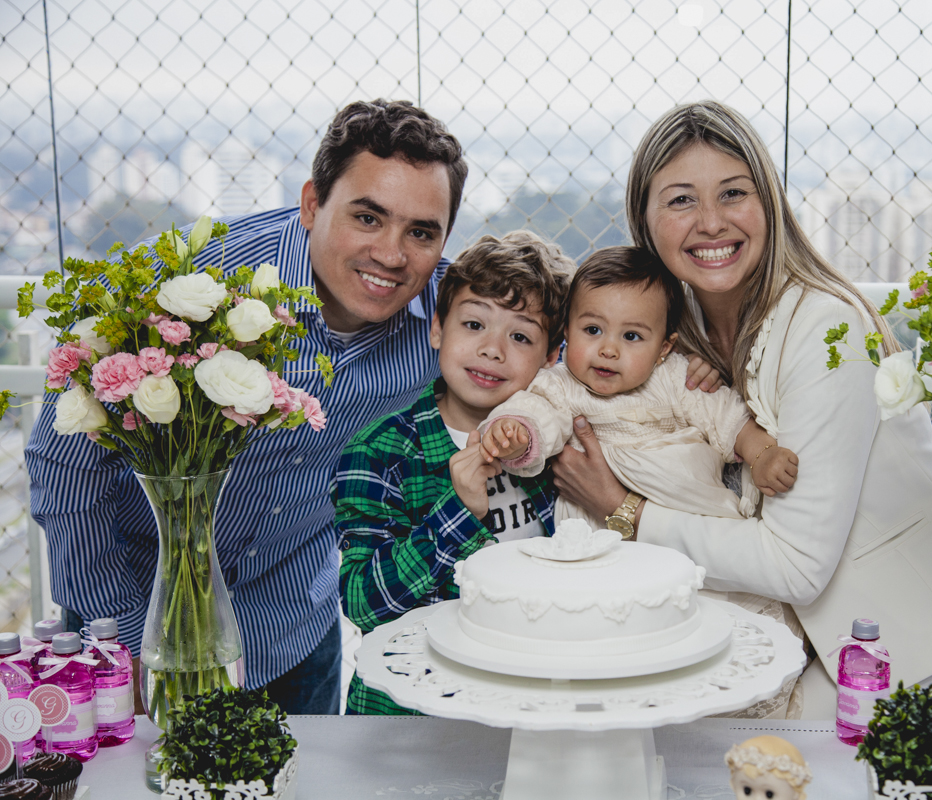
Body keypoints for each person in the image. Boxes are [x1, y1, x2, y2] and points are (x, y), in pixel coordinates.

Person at [550, 100, 932, 718]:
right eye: (681, 200)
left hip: (928, 647)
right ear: (645, 222)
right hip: (823, 646)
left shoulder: (823, 325)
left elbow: (796, 565)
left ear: (769, 202)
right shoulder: (673, 343)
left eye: (732, 193)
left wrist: (622, 510)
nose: (710, 222)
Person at [26, 98, 468, 714]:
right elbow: (64, 461)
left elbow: (570, 343)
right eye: (367, 218)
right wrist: (127, 634)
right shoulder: (187, 281)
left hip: (288, 627)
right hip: (133, 618)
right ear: (313, 203)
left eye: (421, 232)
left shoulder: (457, 323)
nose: (393, 256)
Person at [332, 231, 572, 714]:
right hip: (410, 710)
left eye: (520, 335)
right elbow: (361, 601)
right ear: (437, 329)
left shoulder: (561, 445)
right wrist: (459, 512)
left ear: (552, 358)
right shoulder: (380, 452)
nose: (492, 349)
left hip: (525, 700)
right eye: (474, 324)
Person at [480, 245, 797, 531]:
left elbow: (728, 418)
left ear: (663, 348)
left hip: (695, 513)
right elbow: (537, 413)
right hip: (600, 529)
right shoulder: (561, 386)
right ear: (566, 333)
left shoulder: (676, 377)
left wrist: (763, 454)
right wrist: (516, 433)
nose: (608, 349)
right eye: (593, 330)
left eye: (631, 336)